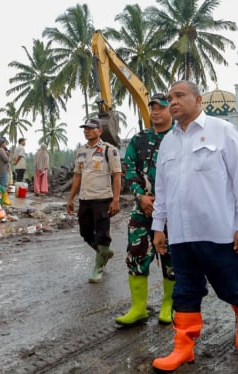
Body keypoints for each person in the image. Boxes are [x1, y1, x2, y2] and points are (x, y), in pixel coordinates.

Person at [151, 81, 238, 371]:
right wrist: (158, 226)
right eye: (170, 97)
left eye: (179, 96)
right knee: (185, 290)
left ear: (199, 100)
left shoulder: (223, 132)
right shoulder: (168, 142)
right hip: (181, 234)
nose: (173, 102)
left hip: (218, 230)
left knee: (231, 285)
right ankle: (183, 346)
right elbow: (162, 189)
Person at [116, 93, 174, 327]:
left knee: (171, 256)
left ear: (171, 110)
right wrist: (141, 196)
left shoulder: (178, 137)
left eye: (161, 107)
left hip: (171, 207)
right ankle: (138, 308)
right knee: (137, 252)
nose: (156, 111)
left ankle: (169, 305)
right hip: (142, 207)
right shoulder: (139, 139)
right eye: (153, 108)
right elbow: (129, 167)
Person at [67, 118, 121, 283]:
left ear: (99, 131)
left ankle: (98, 267)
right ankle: (104, 252)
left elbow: (117, 175)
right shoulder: (80, 151)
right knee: (85, 232)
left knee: (103, 234)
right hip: (85, 199)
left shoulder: (109, 150)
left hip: (102, 198)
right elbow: (77, 176)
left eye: (90, 128)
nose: (87, 131)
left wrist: (116, 199)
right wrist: (71, 198)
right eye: (85, 128)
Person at [0, 137, 12, 205]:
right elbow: (6, 159)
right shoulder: (1, 150)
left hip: (3, 169)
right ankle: (4, 199)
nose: (6, 144)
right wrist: (8, 155)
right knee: (3, 185)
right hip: (4, 169)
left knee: (4, 184)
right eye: (5, 142)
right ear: (2, 144)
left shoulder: (1, 150)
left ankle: (4, 198)